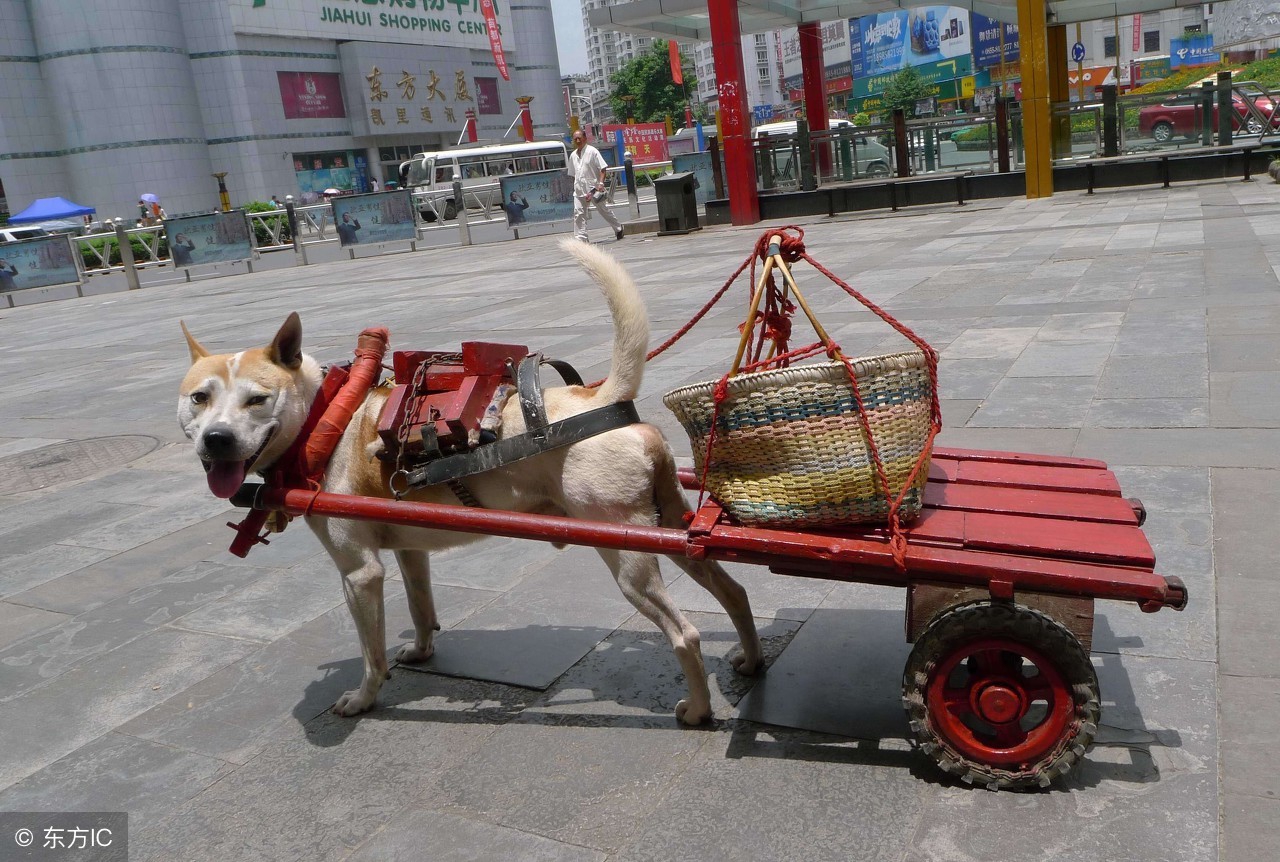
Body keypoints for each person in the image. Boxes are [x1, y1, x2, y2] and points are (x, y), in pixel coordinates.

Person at [568, 129, 623, 243]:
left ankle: (618, 228)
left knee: (603, 210)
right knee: (578, 213)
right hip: (579, 190)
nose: (577, 141)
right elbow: (573, 174)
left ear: (585, 138)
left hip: (594, 189)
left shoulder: (592, 151)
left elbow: (602, 168)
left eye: (579, 138)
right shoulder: (573, 155)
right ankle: (581, 238)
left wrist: (601, 184)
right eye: (575, 139)